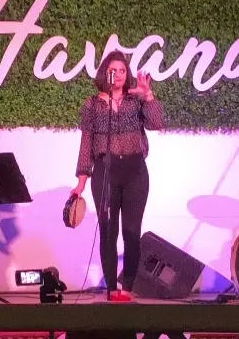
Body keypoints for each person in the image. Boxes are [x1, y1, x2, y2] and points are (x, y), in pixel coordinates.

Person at [71, 50, 165, 301]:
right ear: (106, 73)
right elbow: (86, 142)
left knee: (132, 232)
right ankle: (111, 287)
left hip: (135, 172)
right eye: (114, 70)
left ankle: (127, 288)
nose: (120, 75)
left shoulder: (136, 101)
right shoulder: (92, 105)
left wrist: (148, 95)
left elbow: (157, 123)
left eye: (123, 70)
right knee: (108, 231)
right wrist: (81, 181)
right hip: (105, 172)